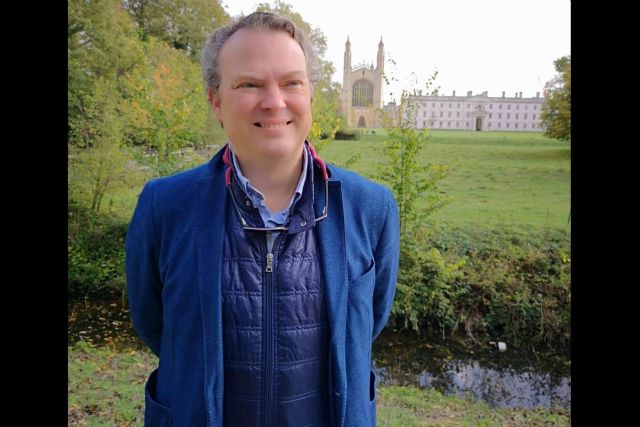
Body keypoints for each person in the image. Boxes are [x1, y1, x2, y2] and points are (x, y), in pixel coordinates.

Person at [126, 11, 399, 427]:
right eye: (249, 84)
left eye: (292, 83)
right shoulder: (164, 207)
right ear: (216, 100)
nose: (274, 101)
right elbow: (154, 324)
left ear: (309, 95)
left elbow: (367, 325)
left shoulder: (371, 208)